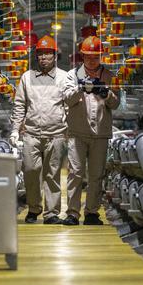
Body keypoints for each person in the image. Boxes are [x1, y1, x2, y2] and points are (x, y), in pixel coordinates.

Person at [10, 35, 79, 224]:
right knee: (30, 171)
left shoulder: (64, 77)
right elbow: (20, 104)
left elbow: (69, 104)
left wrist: (70, 127)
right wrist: (15, 129)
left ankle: (51, 214)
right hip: (31, 133)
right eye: (40, 54)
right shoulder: (27, 77)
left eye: (47, 54)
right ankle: (34, 208)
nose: (43, 57)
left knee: (52, 174)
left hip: (56, 134)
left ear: (55, 56)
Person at [62, 36, 119, 226]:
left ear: (101, 56)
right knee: (75, 173)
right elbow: (67, 98)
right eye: (88, 56)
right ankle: (72, 213)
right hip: (77, 132)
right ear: (82, 56)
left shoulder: (109, 76)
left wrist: (106, 93)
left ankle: (92, 213)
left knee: (96, 175)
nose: (92, 60)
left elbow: (116, 103)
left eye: (96, 57)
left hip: (100, 133)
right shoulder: (72, 75)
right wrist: (80, 88)